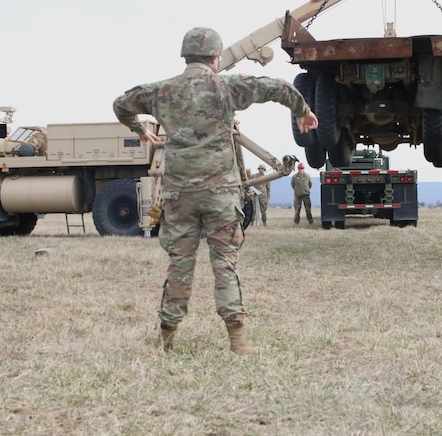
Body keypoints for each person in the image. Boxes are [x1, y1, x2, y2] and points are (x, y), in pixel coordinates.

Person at [112, 27, 318, 355]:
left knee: (180, 261)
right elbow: (277, 88)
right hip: (221, 192)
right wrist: (303, 111)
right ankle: (237, 341)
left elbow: (121, 103)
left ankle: (166, 341)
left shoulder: (161, 91)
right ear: (216, 56)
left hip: (179, 193)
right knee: (225, 260)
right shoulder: (227, 86)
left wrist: (139, 130)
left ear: (185, 55)